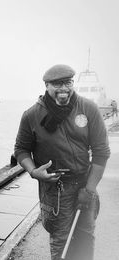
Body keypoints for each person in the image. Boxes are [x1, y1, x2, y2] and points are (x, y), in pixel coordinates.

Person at [14, 64, 110, 260]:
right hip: (55, 189)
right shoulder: (31, 115)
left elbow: (101, 153)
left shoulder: (88, 109)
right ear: (46, 86)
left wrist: (89, 189)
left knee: (85, 236)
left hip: (85, 184)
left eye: (68, 82)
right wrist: (33, 172)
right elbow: (21, 150)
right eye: (57, 84)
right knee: (60, 241)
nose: (64, 88)